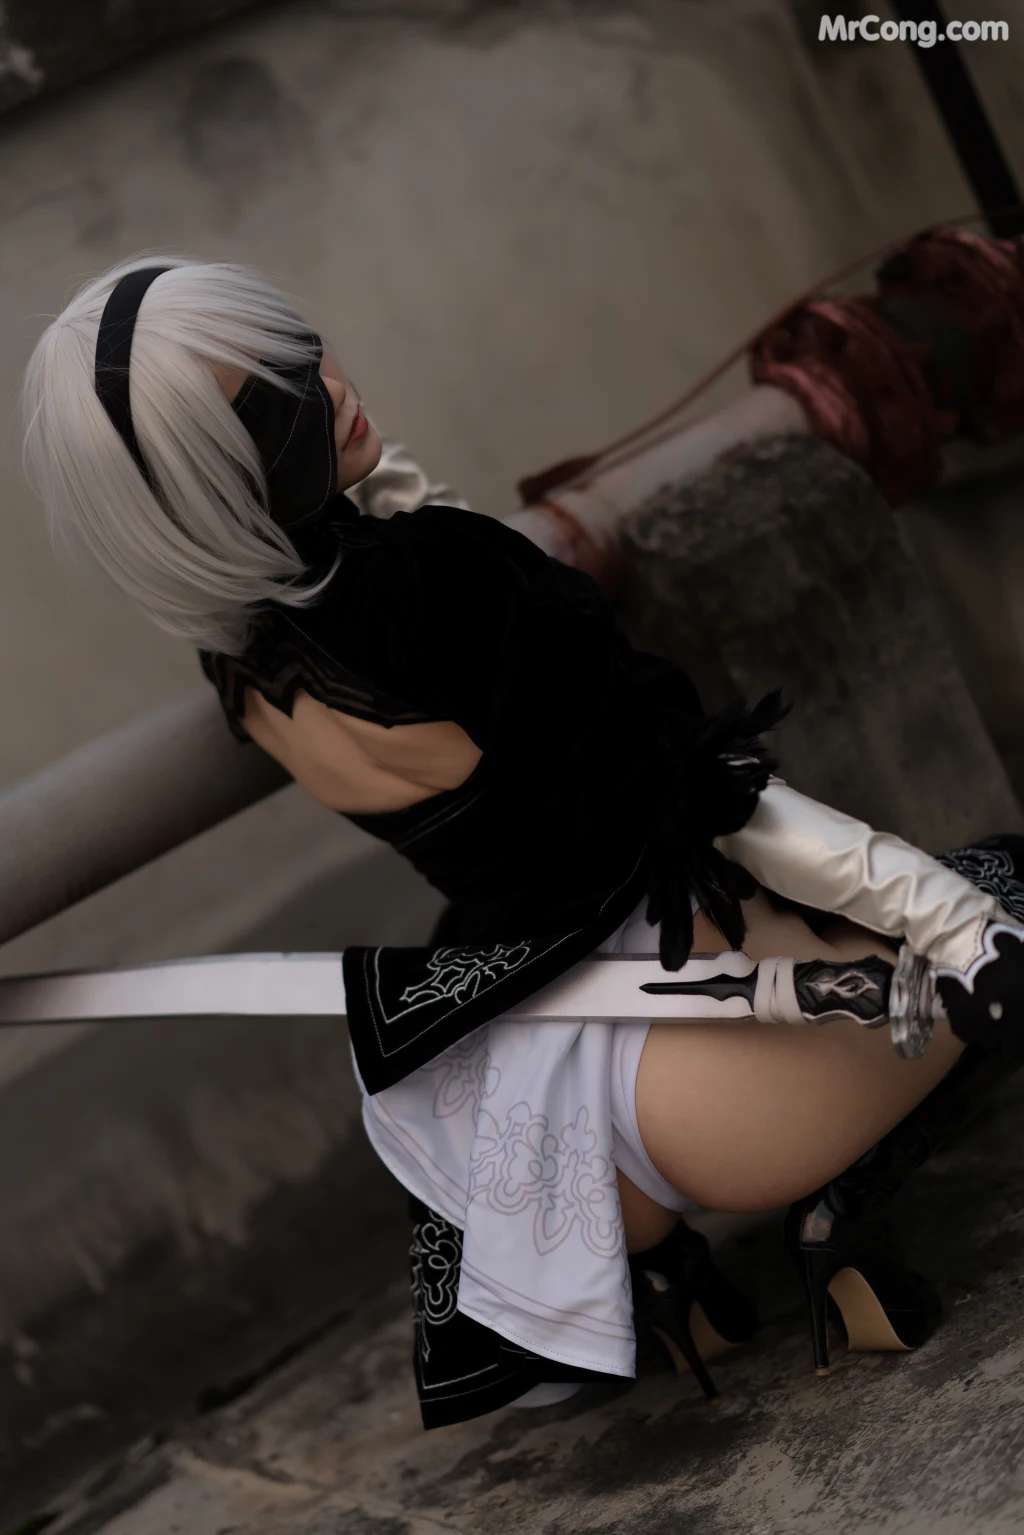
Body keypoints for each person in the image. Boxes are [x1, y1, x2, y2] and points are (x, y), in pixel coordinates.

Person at [21, 256, 1024, 1427]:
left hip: (526, 1099)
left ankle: (669, 1286)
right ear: (214, 474)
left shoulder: (245, 663)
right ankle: (834, 1209)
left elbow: (400, 588)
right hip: (709, 1043)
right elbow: (708, 793)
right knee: (1006, 884)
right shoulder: (447, 581)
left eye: (302, 350)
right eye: (275, 399)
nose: (330, 384)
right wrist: (957, 922)